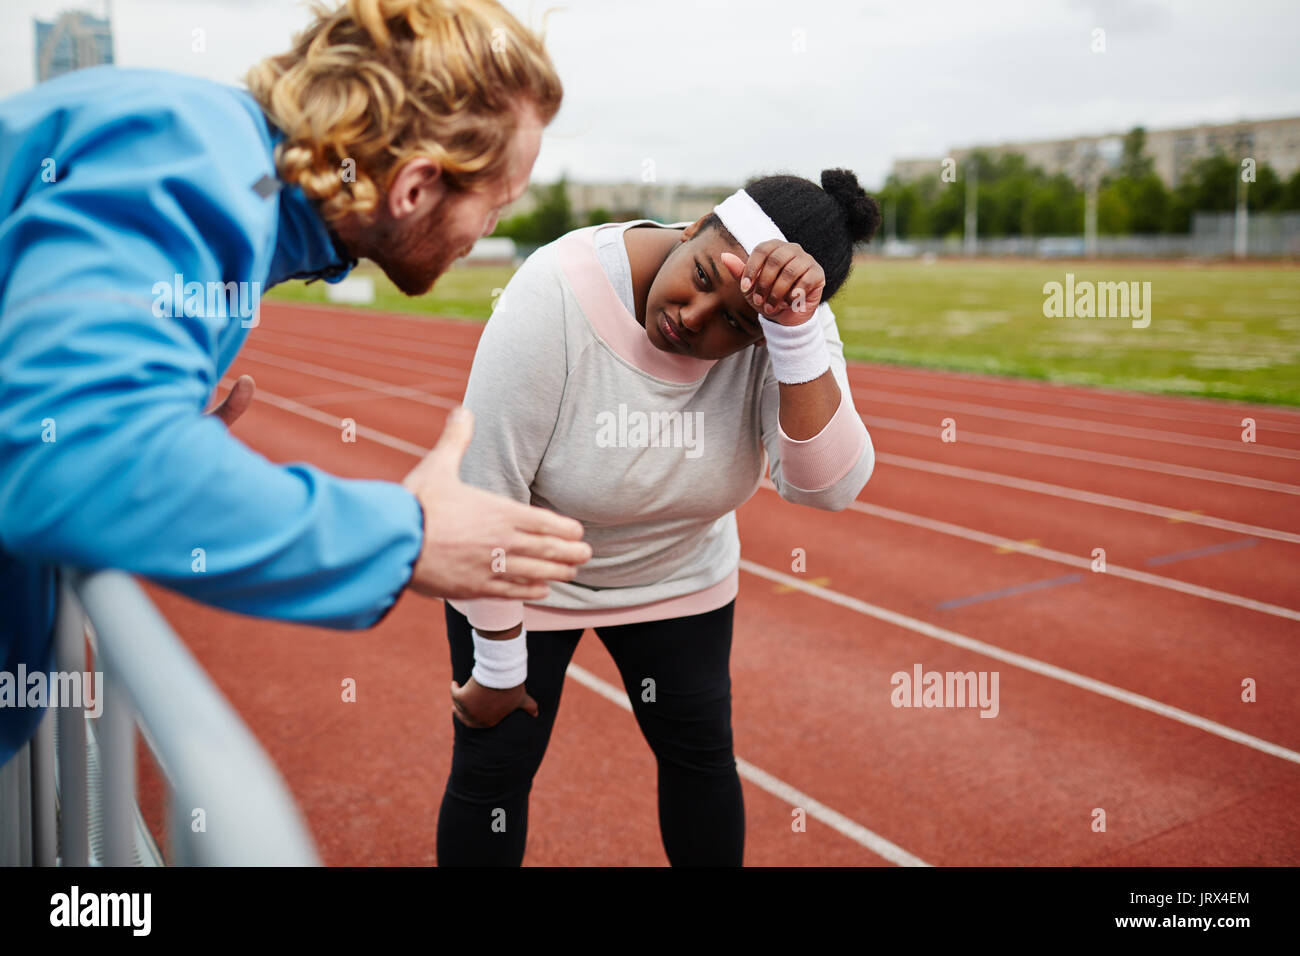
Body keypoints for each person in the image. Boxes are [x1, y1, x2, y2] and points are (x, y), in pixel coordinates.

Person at [0, 0, 592, 768]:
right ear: (414, 186)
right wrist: (406, 538)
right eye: (497, 204)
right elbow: (75, 457)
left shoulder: (217, 161)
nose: (489, 229)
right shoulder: (191, 156)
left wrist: (161, 438)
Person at [437, 169, 882, 866]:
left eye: (736, 324)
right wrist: (497, 665)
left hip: (678, 576)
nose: (694, 316)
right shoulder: (554, 291)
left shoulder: (790, 324)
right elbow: (483, 487)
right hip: (529, 570)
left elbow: (825, 488)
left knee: (701, 758)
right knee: (494, 768)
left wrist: (793, 336)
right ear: (697, 224)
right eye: (702, 274)